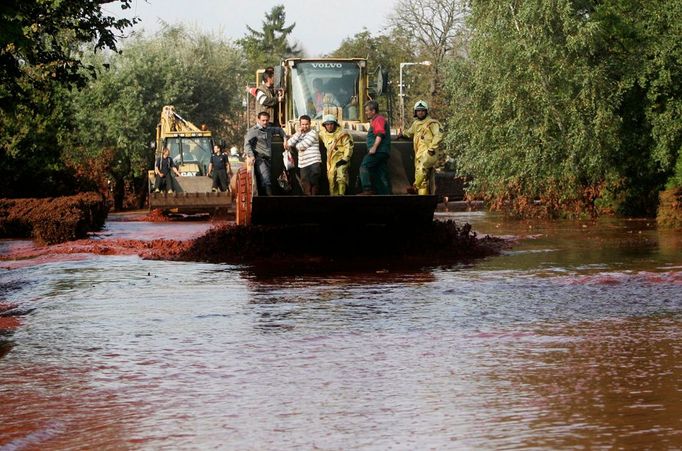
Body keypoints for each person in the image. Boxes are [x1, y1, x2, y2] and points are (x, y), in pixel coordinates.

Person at [398, 100, 443, 195]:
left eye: (422, 110)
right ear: (415, 112)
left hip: (429, 153)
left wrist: (431, 148)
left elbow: (438, 136)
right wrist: (402, 134)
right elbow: (409, 132)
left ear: (426, 111)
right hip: (418, 155)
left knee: (422, 169)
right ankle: (422, 198)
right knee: (422, 181)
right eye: (418, 111)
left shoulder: (432, 123)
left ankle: (415, 186)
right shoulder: (416, 124)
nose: (420, 112)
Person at [243, 111, 288, 196]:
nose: (265, 122)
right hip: (260, 159)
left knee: (272, 179)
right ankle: (268, 199)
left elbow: (279, 130)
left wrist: (285, 139)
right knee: (266, 179)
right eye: (263, 120)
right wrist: (251, 156)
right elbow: (246, 144)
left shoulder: (269, 129)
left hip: (269, 159)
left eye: (267, 120)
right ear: (258, 120)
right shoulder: (253, 131)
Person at [359, 100, 391, 195]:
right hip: (383, 152)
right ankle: (384, 195)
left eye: (367, 110)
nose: (366, 113)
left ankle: (367, 189)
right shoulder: (377, 120)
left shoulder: (378, 119)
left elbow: (380, 133)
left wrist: (374, 147)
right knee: (380, 174)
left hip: (378, 151)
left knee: (364, 166)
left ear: (373, 111)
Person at [319, 114, 354, 195]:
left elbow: (348, 147)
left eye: (331, 124)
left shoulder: (343, 134)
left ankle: (342, 195)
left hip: (341, 159)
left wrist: (345, 159)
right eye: (327, 124)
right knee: (331, 179)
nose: (329, 126)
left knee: (341, 177)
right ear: (325, 125)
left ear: (335, 124)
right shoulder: (322, 134)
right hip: (331, 161)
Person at [287, 115, 321, 195]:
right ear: (300, 124)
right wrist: (298, 133)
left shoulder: (313, 133)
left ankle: (315, 199)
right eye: (303, 124)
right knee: (305, 183)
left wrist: (296, 144)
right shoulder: (299, 133)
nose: (305, 126)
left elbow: (301, 146)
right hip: (303, 163)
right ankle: (308, 201)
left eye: (306, 124)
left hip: (314, 161)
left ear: (310, 124)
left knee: (314, 181)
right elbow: (289, 143)